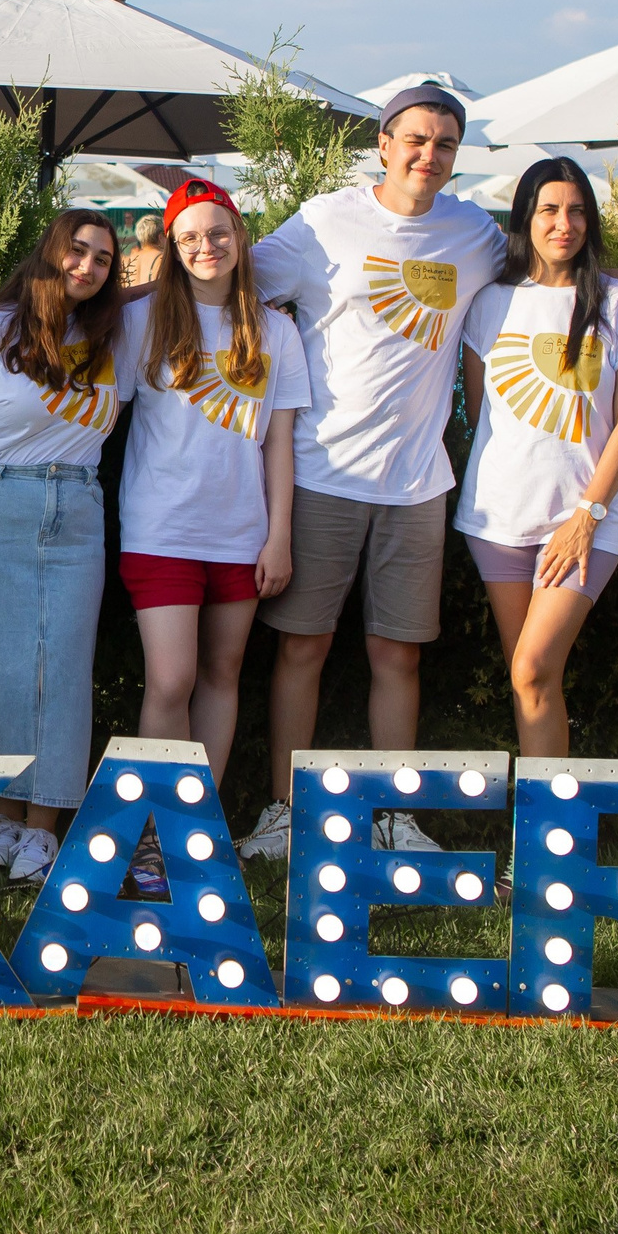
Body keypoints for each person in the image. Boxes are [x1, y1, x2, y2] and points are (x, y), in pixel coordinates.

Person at [241, 84, 504, 860]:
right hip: (322, 474)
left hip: (418, 483)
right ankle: (285, 812)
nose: (430, 155)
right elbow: (235, 285)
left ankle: (396, 816)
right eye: (417, 139)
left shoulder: (475, 234)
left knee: (399, 654)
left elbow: (550, 278)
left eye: (446, 144)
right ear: (384, 144)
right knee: (302, 648)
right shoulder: (325, 221)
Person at [0, 209, 124, 884]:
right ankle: (6, 816)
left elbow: (166, 296)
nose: (88, 266)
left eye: (103, 257)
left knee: (61, 669)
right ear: (48, 251)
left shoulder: (106, 337)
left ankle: (44, 828)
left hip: (77, 510)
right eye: (78, 250)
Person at [456, 157, 618, 760]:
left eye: (576, 211)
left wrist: (588, 514)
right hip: (497, 519)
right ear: (525, 219)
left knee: (534, 670)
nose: (563, 223)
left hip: (584, 523)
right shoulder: (489, 303)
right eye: (548, 210)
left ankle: (548, 840)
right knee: (530, 681)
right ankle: (542, 840)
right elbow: (476, 410)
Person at [115, 179, 306, 783]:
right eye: (190, 237)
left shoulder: (276, 330)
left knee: (223, 677)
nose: (207, 246)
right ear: (171, 246)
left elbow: (279, 442)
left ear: (241, 237)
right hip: (160, 527)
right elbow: (98, 411)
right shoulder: (139, 320)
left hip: (241, 533)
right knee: (171, 681)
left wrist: (279, 538)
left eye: (218, 232)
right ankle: (155, 833)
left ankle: (202, 831)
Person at [120, 213, 167, 288]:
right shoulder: (162, 259)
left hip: (130, 299)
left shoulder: (128, 260)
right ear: (160, 237)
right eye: (166, 236)